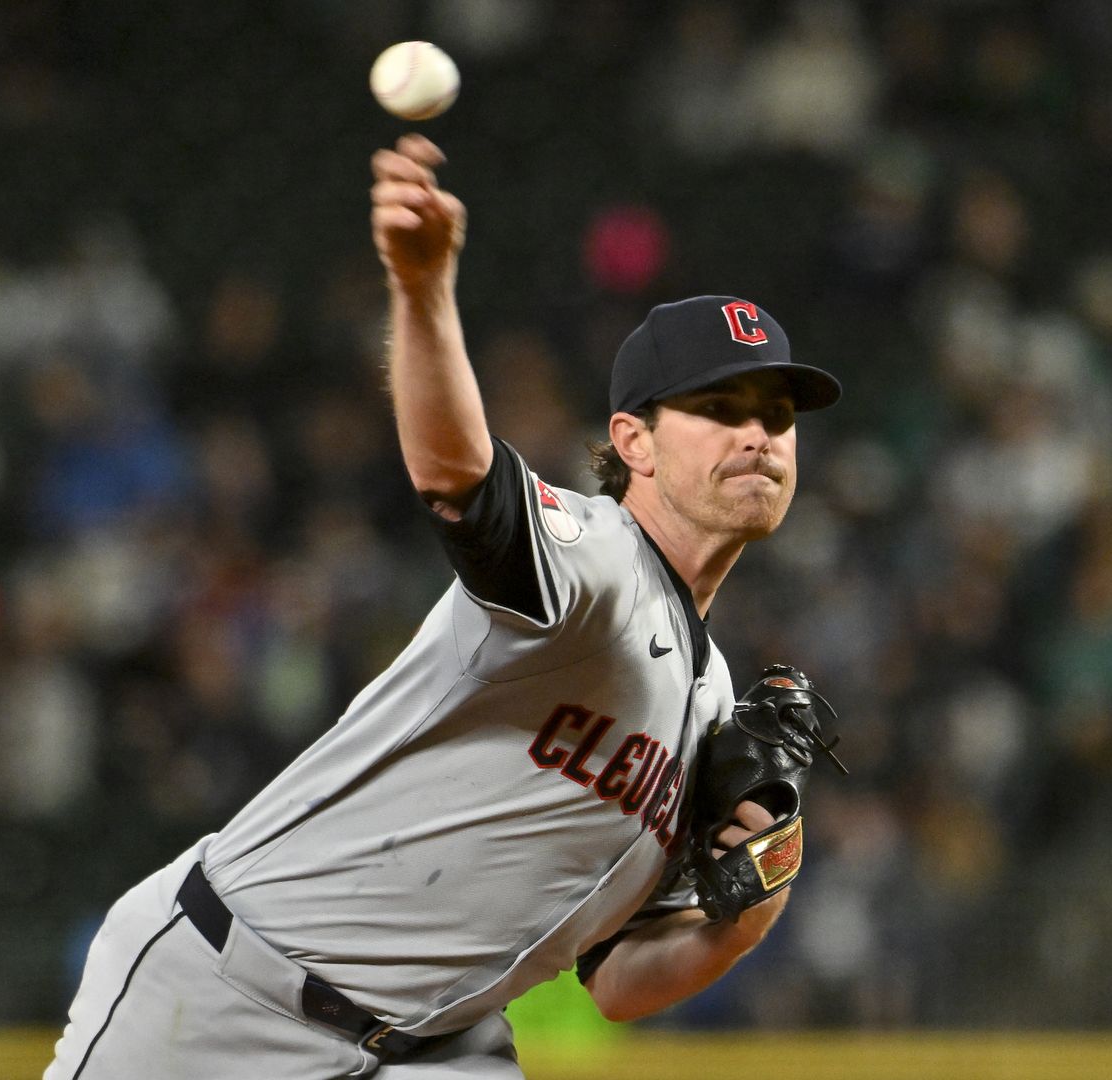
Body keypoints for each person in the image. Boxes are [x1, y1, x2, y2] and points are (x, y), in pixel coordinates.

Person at [45, 134, 842, 1079]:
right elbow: (458, 474)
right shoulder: (596, 562)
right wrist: (423, 294)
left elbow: (621, 985)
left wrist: (751, 911)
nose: (757, 435)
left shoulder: (709, 703)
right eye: (721, 409)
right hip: (231, 996)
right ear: (635, 440)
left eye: (777, 417)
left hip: (434, 1053)